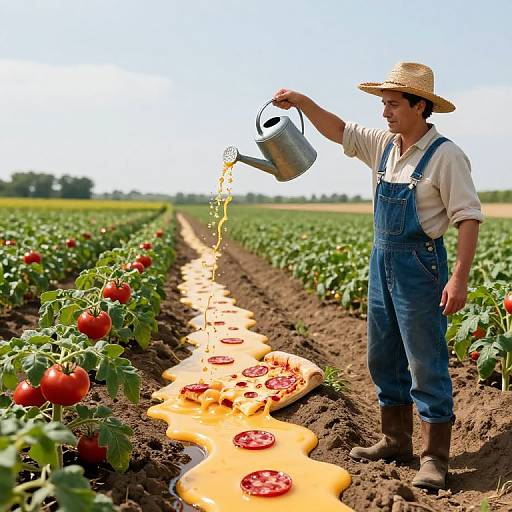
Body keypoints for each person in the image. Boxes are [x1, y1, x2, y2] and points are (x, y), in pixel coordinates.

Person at [272, 62, 483, 491]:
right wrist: (302, 101)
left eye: (392, 104)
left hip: (421, 265)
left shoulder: (445, 155)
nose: (384, 112)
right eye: (383, 104)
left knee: (426, 361)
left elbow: (469, 218)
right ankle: (395, 440)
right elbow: (338, 130)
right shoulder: (384, 146)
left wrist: (458, 278)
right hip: (382, 260)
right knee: (382, 355)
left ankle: (434, 458)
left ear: (420, 105)